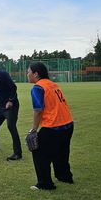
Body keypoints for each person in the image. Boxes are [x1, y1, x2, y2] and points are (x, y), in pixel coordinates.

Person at [26, 62, 74, 191]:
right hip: (68, 124)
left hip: (53, 126)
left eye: (29, 71)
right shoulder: (53, 84)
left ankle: (45, 183)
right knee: (62, 153)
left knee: (39, 153)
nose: (27, 74)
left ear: (36, 74)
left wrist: (34, 130)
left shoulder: (38, 87)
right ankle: (64, 176)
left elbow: (38, 110)